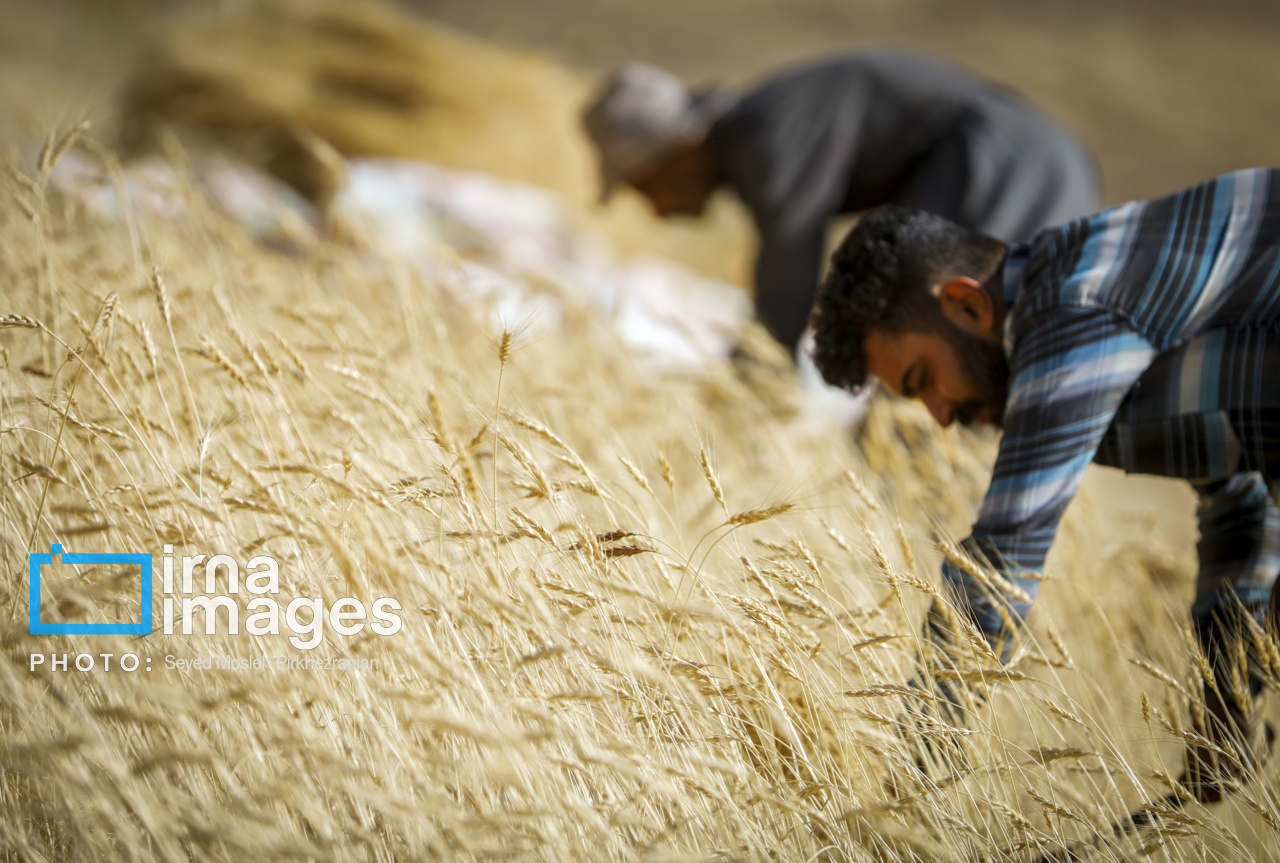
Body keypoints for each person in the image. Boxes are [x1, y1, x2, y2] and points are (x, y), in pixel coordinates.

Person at [809, 169, 1280, 802]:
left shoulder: (1071, 309)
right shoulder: (1109, 311)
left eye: (922, 379)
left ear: (968, 304)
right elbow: (1240, 502)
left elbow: (999, 571)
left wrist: (905, 799)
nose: (940, 415)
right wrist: (1227, 702)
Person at [582, 50, 1099, 355]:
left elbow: (790, 275)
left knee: (927, 345)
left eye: (642, 186)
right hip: (1042, 162)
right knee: (982, 359)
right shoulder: (760, 137)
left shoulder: (767, 138)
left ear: (677, 152)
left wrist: (755, 381)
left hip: (1007, 165)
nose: (653, 209)